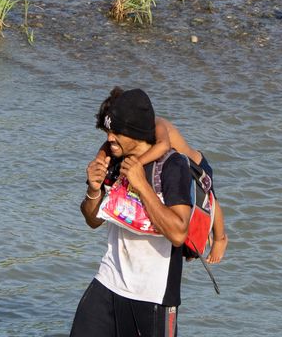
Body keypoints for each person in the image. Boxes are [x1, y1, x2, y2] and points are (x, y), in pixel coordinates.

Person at [71, 88, 194, 336]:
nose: (110, 139)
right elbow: (93, 220)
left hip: (154, 296)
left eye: (116, 133)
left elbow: (179, 232)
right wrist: (93, 190)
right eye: (108, 132)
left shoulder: (173, 166)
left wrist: (141, 185)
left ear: (135, 133)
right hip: (108, 282)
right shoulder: (114, 162)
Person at [91, 87, 228, 264]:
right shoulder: (125, 132)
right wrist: (100, 159)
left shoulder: (157, 124)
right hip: (177, 167)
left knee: (210, 201)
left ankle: (220, 238)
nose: (110, 137)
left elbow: (163, 146)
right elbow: (106, 144)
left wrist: (137, 164)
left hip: (195, 165)